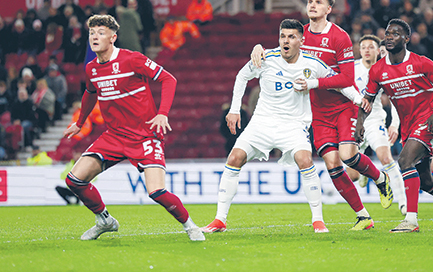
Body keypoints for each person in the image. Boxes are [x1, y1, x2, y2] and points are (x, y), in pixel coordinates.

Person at [250, 0, 393, 230]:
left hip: (342, 107)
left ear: (329, 9)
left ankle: (380, 178)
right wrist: (258, 48)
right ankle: (363, 216)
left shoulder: (339, 37)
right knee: (332, 165)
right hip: (316, 112)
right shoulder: (299, 35)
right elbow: (281, 53)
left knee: (348, 156)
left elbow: (347, 78)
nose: (312, 5)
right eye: (310, 1)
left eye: (319, 2)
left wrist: (315, 83)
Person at [62, 14, 205, 241]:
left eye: (100, 32)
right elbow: (90, 93)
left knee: (156, 192)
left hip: (145, 136)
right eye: (91, 33)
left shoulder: (132, 59)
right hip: (114, 136)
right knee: (74, 180)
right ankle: (105, 220)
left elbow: (169, 79)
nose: (94, 37)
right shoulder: (92, 68)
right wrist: (80, 123)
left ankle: (191, 226)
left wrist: (162, 113)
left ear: (113, 37)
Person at [202, 19, 344, 234]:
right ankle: (220, 220)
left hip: (293, 125)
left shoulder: (313, 63)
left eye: (291, 37)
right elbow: (242, 76)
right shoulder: (266, 58)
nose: (285, 41)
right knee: (234, 158)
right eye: (282, 36)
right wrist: (233, 109)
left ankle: (318, 220)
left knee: (305, 160)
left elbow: (340, 82)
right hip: (262, 123)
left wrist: (359, 99)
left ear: (301, 41)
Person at [355, 19, 433, 233]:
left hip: (428, 119)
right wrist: (359, 125)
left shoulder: (421, 62)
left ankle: (411, 220)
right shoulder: (378, 70)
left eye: (395, 33)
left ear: (407, 39)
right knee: (426, 180)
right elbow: (367, 100)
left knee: (404, 160)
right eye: (387, 33)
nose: (389, 36)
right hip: (408, 126)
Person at [353, 36, 407, 215]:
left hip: (375, 120)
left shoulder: (386, 71)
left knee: (386, 158)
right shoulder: (352, 69)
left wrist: (394, 125)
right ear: (360, 51)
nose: (367, 50)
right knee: (352, 175)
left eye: (371, 47)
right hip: (354, 122)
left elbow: (396, 100)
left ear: (378, 51)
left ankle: (404, 203)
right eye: (363, 47)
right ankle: (364, 172)